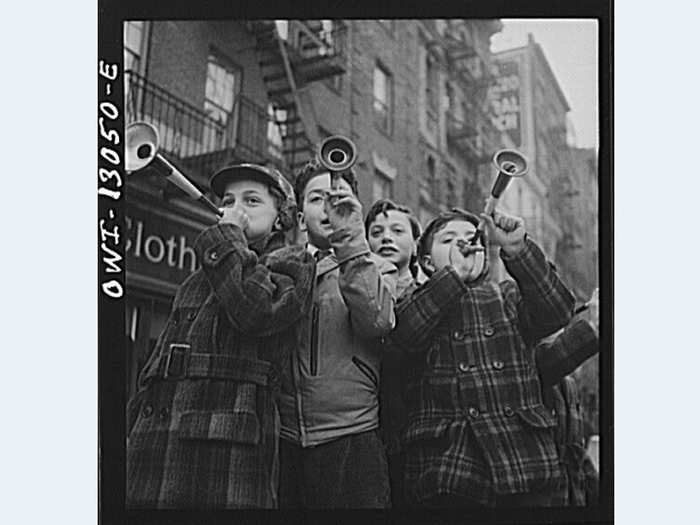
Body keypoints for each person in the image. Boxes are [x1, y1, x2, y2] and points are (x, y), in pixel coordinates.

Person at [126, 164, 316, 509]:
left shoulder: (293, 262)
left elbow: (256, 310)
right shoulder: (201, 277)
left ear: (280, 219)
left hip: (222, 450)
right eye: (228, 199)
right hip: (153, 445)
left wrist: (229, 237)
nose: (235, 207)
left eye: (252, 200)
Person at [390, 207, 575, 508]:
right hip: (447, 468)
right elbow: (400, 340)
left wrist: (518, 248)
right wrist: (452, 277)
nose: (463, 244)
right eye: (448, 240)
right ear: (425, 261)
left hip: (525, 461)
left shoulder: (509, 296)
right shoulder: (412, 301)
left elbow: (558, 311)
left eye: (469, 237)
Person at [277, 159, 398, 509]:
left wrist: (349, 241)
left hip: (352, 437)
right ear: (300, 218)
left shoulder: (377, 266)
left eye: (340, 198)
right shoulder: (281, 266)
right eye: (317, 199)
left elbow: (377, 320)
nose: (330, 205)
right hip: (284, 437)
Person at [364, 198, 422, 508]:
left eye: (398, 230)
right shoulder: (353, 295)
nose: (386, 237)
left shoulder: (429, 297)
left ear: (416, 246)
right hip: (366, 431)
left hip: (417, 432)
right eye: (376, 231)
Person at [536, 288, 600, 506]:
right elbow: (546, 363)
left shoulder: (568, 386)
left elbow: (579, 459)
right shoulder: (521, 370)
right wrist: (593, 326)